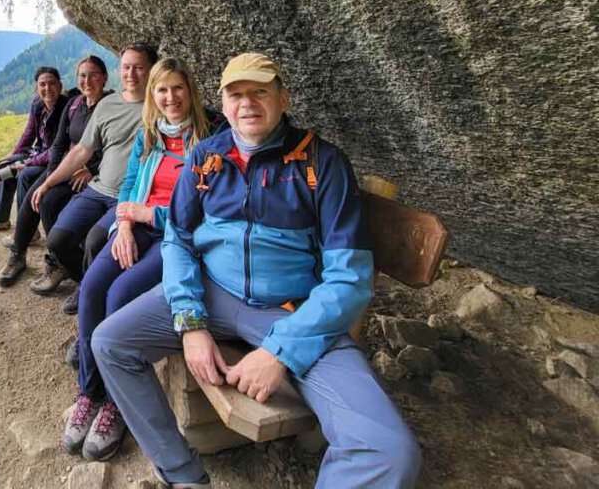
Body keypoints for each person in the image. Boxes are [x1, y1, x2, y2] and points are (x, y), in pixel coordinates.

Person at [92, 53, 421, 488]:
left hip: (294, 311)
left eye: (259, 92)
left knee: (389, 450)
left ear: (283, 99)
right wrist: (189, 322)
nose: (247, 103)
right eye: (236, 94)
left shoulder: (322, 163)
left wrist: (278, 353)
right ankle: (183, 475)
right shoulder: (205, 158)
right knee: (110, 343)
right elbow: (179, 240)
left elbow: (350, 277)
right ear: (223, 106)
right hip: (211, 293)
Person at [62, 59, 214, 460]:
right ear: (154, 96)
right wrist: (125, 223)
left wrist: (152, 216)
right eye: (162, 90)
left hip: (176, 239)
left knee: (121, 295)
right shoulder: (150, 137)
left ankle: (116, 403)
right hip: (137, 226)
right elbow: (129, 187)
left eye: (178, 89)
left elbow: (207, 211)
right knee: (93, 287)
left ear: (190, 92)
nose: (170, 98)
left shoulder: (209, 144)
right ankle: (89, 392)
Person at [28, 42, 158, 295]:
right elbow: (81, 150)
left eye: (139, 68)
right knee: (57, 241)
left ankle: (89, 293)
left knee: (94, 241)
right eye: (126, 67)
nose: (131, 74)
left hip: (129, 195)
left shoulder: (161, 105)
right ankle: (87, 285)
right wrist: (47, 183)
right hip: (97, 190)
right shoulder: (108, 105)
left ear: (151, 70)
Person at [0, 56, 113, 286]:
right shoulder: (74, 105)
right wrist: (50, 175)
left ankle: (56, 263)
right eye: (82, 75)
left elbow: (116, 146)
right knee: (35, 195)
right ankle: (18, 255)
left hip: (91, 173)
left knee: (49, 202)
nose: (87, 80)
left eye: (93, 75)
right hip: (67, 165)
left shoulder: (110, 105)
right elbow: (59, 144)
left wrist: (90, 169)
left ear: (105, 78)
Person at [0, 66, 66, 235]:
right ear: (36, 87)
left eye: (52, 83)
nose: (47, 89)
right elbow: (29, 133)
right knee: (8, 170)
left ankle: (27, 231)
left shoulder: (66, 108)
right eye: (42, 84)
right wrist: (14, 157)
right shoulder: (37, 104)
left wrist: (28, 162)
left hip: (57, 160)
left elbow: (57, 149)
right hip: (40, 153)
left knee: (25, 174)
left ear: (60, 86)